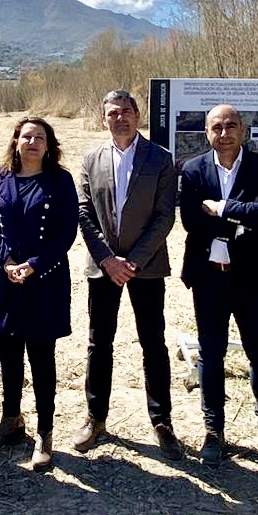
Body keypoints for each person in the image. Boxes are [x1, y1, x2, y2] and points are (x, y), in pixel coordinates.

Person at [73, 89, 182, 458]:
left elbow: (164, 216)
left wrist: (132, 261)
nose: (120, 118)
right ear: (104, 118)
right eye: (112, 113)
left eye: (126, 111)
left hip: (146, 267)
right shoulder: (91, 159)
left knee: (153, 343)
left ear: (138, 114)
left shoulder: (161, 158)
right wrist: (108, 260)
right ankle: (95, 418)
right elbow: (84, 214)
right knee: (98, 343)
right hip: (103, 267)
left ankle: (162, 422)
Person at [178, 103, 258, 468]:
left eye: (231, 126)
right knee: (212, 355)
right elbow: (191, 220)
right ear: (207, 132)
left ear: (243, 129)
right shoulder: (193, 169)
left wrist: (222, 208)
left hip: (250, 276)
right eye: (217, 127)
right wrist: (243, 216)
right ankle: (214, 432)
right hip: (208, 277)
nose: (224, 134)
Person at [0, 116, 79, 471]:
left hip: (44, 282)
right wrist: (6, 261)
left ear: (49, 145)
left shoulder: (60, 180)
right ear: (16, 142)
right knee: (8, 359)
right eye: (26, 137)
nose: (32, 142)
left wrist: (34, 264)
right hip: (5, 281)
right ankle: (11, 421)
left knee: (42, 361)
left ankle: (45, 432)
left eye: (39, 137)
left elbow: (66, 231)